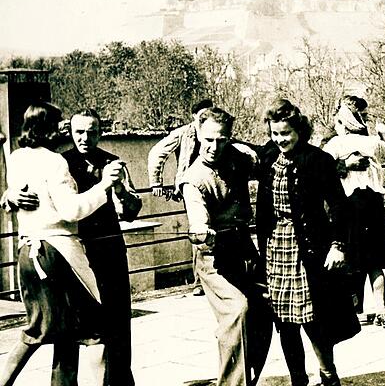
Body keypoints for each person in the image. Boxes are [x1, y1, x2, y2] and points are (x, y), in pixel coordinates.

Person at [0, 101, 124, 386]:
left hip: (28, 254)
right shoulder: (56, 162)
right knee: (96, 331)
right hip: (59, 253)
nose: (65, 131)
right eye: (61, 125)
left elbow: (21, 194)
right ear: (50, 128)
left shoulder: (17, 157)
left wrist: (9, 196)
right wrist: (104, 185)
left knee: (36, 329)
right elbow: (71, 211)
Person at [256, 99, 360, 386]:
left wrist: (338, 245)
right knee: (285, 323)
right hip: (276, 248)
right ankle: (298, 380)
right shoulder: (267, 157)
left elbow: (340, 206)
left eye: (286, 134)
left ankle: (328, 374)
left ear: (299, 130)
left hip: (309, 248)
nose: (280, 140)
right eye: (275, 134)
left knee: (314, 319)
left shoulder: (318, 160)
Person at [179, 107, 273, 386]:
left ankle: (246, 379)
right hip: (214, 256)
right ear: (197, 135)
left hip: (244, 247)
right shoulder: (193, 179)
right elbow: (197, 217)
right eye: (208, 140)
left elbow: (268, 160)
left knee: (265, 310)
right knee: (237, 311)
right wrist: (201, 231)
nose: (214, 147)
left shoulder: (239, 158)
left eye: (221, 139)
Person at [59, 109, 142, 386]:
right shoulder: (60, 163)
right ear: (70, 131)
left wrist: (119, 190)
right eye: (79, 131)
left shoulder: (113, 162)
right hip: (74, 253)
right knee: (71, 327)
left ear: (100, 132)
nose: (85, 137)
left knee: (117, 323)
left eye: (92, 132)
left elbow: (132, 210)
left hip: (109, 252)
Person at [323, 96, 385, 327]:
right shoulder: (372, 142)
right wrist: (384, 132)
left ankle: (352, 310)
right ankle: (381, 308)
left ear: (343, 123)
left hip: (348, 205)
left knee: (349, 260)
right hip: (373, 204)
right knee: (375, 261)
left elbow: (320, 167)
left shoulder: (335, 145)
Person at [147, 98, 214, 296]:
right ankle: (199, 281)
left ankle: (216, 277)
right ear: (194, 117)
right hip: (191, 188)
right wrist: (156, 182)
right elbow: (157, 152)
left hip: (213, 185)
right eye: (201, 116)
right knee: (199, 229)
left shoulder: (215, 131)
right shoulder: (184, 133)